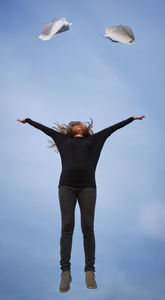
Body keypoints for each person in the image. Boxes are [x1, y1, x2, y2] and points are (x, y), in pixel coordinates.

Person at [17, 114, 145, 292]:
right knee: (67, 226)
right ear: (71, 129)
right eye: (76, 124)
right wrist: (29, 121)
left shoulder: (94, 140)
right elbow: (45, 129)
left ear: (85, 129)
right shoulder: (63, 140)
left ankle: (90, 271)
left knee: (87, 227)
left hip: (88, 187)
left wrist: (131, 119)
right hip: (66, 187)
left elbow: (112, 129)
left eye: (81, 123)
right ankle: (65, 272)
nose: (79, 124)